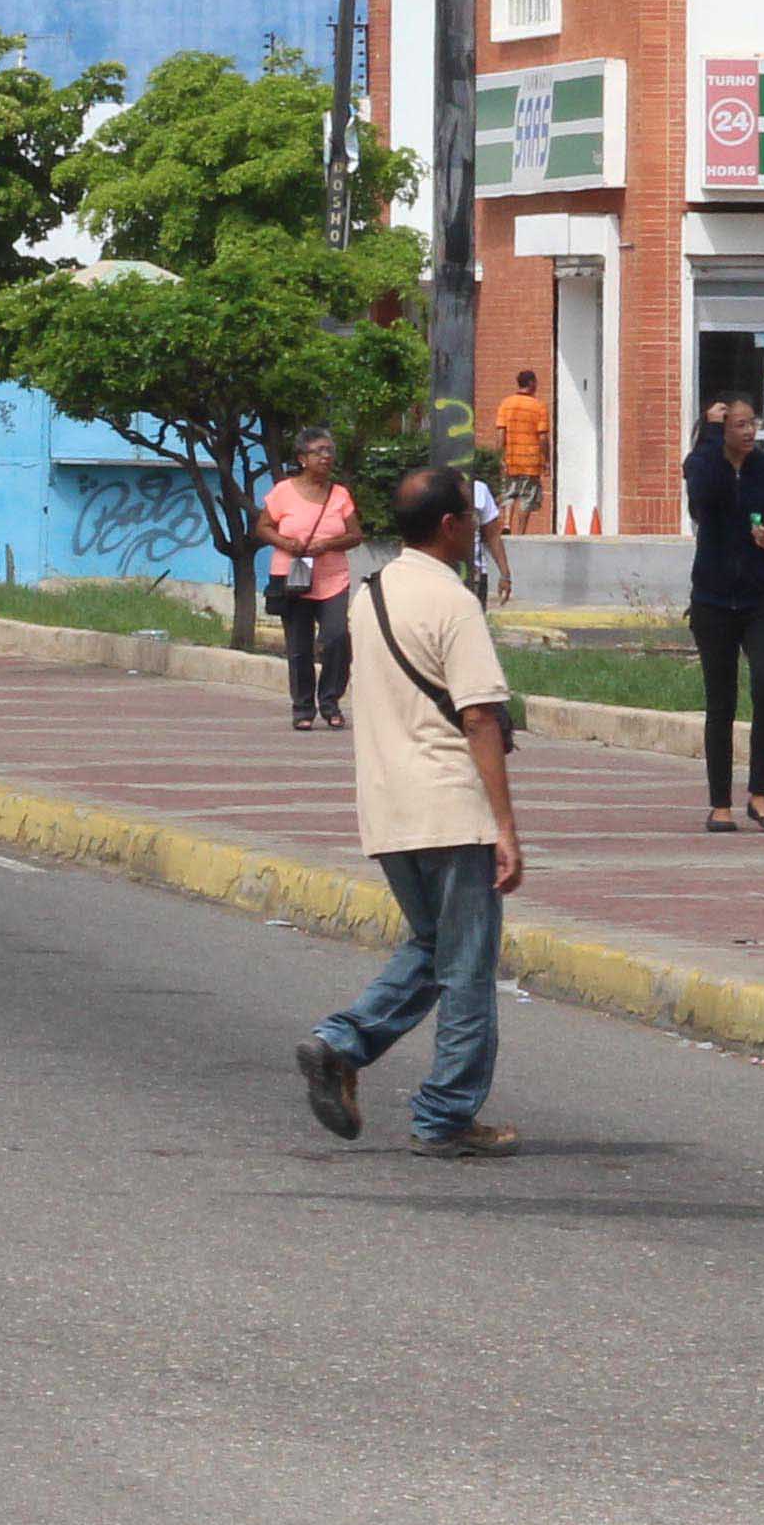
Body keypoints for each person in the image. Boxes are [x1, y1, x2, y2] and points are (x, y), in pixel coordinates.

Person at [296, 462, 527, 1160]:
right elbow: (481, 716)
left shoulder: (373, 593)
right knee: (467, 969)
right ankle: (447, 1113)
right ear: (451, 527)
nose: (480, 526)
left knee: (434, 947)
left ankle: (342, 1046)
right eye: (472, 514)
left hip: (388, 806)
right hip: (451, 808)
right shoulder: (453, 602)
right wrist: (507, 828)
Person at [686, 397, 764, 835]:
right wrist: (710, 436)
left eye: (752, 423)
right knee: (721, 701)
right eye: (738, 425)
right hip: (713, 600)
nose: (749, 432)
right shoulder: (705, 466)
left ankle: (760, 793)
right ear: (722, 430)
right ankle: (720, 803)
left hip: (760, 600)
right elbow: (701, 502)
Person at [257, 427, 363, 733]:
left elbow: (356, 535)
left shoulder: (339, 494)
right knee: (299, 647)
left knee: (336, 638)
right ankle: (303, 707)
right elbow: (262, 527)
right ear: (302, 458)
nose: (326, 457)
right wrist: (286, 543)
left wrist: (328, 545)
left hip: (333, 579)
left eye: (329, 450)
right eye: (319, 451)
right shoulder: (283, 492)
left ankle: (330, 702)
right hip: (292, 579)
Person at [488, 369, 553, 529]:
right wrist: (546, 461)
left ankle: (507, 524)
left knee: (509, 494)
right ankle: (521, 531)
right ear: (531, 383)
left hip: (510, 459)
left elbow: (500, 433)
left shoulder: (506, 404)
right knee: (526, 498)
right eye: (535, 382)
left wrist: (499, 456)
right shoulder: (539, 407)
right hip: (530, 461)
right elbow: (543, 437)